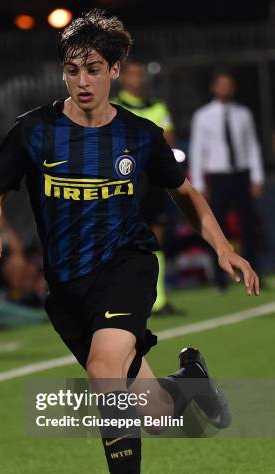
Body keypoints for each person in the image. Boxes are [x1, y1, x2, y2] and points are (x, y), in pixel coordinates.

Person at [0, 11, 258, 474]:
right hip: (66, 291)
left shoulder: (138, 135)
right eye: (73, 69)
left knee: (106, 370)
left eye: (94, 69)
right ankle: (191, 383)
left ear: (116, 70)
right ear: (63, 72)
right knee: (151, 409)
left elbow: (185, 194)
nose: (82, 81)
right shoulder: (33, 132)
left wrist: (224, 248)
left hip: (126, 266)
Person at [112, 59, 180, 315]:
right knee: (122, 239)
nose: (137, 79)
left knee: (156, 237)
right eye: (133, 75)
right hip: (124, 180)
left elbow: (169, 140)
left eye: (140, 75)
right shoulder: (114, 107)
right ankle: (122, 297)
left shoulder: (158, 106)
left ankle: (159, 300)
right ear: (122, 78)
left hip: (152, 179)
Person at [189, 70, 264, 290]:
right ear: (214, 88)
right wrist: (199, 185)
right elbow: (197, 150)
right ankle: (220, 279)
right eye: (220, 84)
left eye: (228, 85)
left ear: (233, 88)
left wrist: (257, 177)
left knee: (248, 226)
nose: (224, 89)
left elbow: (252, 147)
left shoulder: (244, 114)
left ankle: (254, 273)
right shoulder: (202, 116)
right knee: (216, 226)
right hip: (218, 177)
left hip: (241, 175)